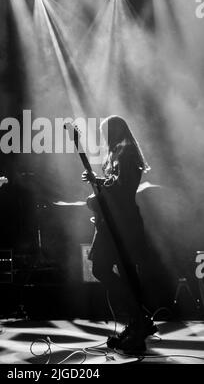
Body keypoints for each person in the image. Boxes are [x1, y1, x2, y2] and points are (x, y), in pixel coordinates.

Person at [82, 115, 157, 354]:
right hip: (113, 222)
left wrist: (99, 188)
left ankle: (138, 323)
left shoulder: (126, 153)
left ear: (115, 131)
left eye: (106, 132)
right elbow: (115, 183)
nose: (104, 137)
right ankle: (138, 321)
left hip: (122, 224)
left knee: (112, 270)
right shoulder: (116, 152)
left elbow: (123, 189)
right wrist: (98, 181)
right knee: (110, 270)